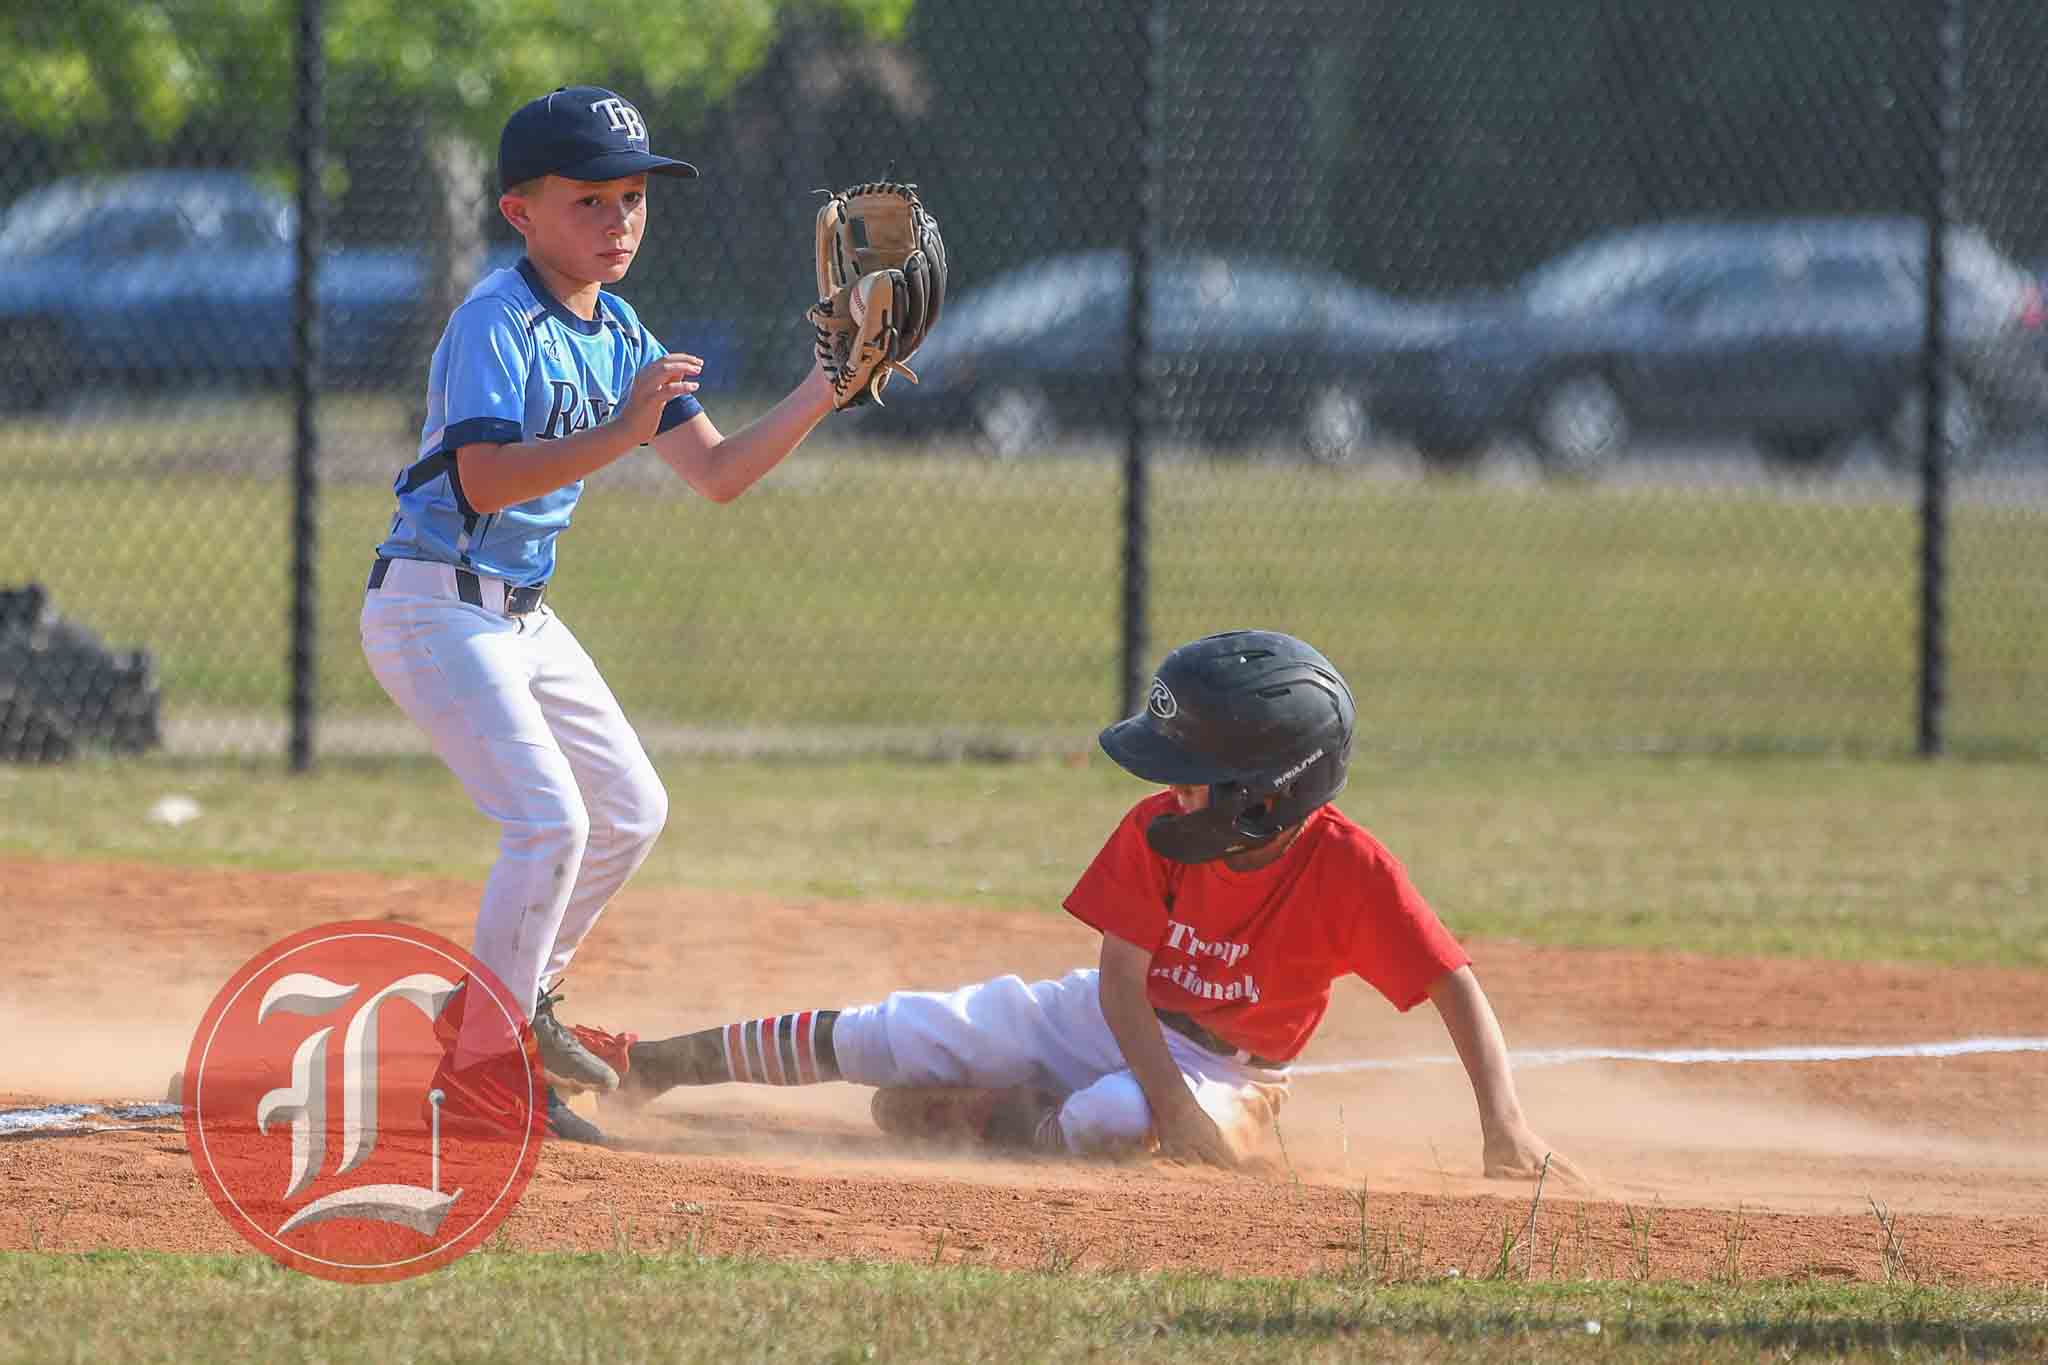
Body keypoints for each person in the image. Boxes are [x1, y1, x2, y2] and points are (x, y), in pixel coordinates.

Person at [600, 630, 1579, 1178]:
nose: (1171, 793)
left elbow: (1451, 984)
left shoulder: (1350, 871)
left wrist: (1503, 1125)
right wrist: (1163, 1098)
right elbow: (1118, 983)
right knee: (903, 1030)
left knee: (1116, 1123)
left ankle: (987, 1124)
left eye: (1195, 778)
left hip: (1233, 1074)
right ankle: (661, 1063)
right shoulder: (1156, 829)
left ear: (1269, 793)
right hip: (1109, 1015)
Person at [359, 85, 840, 1145]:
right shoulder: (497, 319)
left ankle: (506, 1006)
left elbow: (714, 473)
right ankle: (482, 1070)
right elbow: (483, 481)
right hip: (433, 607)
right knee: (549, 821)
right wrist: (625, 430)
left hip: (517, 616)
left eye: (631, 198)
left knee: (628, 811)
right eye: (589, 201)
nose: (617, 222)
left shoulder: (619, 328)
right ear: (519, 211)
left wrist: (823, 385)